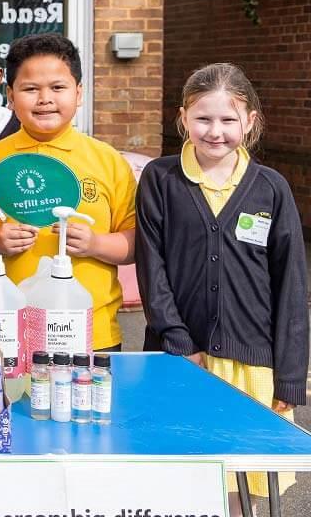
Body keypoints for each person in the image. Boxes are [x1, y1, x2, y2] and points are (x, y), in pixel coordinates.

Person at [136, 63, 307, 510]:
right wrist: (177, 341)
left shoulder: (272, 188)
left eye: (229, 120)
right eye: (203, 119)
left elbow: (291, 287)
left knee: (243, 489)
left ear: (250, 121)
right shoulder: (161, 178)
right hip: (181, 358)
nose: (216, 131)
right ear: (183, 118)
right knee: (182, 483)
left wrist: (290, 378)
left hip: (252, 366)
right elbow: (152, 268)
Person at [0, 33, 136, 354]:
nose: (45, 99)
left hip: (92, 332)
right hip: (6, 329)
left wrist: (94, 243)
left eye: (58, 88)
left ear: (79, 93)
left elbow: (133, 244)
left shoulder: (107, 161)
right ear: (10, 95)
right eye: (31, 89)